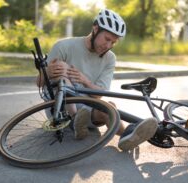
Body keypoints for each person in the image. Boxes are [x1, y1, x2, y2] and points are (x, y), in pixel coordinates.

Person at [36, 9, 158, 151]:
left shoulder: (110, 58)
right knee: (62, 67)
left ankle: (127, 136)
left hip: (86, 109)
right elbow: (39, 83)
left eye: (113, 42)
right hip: (59, 107)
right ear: (95, 29)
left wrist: (85, 81)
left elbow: (99, 95)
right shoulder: (64, 46)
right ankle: (74, 119)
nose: (108, 45)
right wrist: (46, 73)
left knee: (109, 107)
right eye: (107, 39)